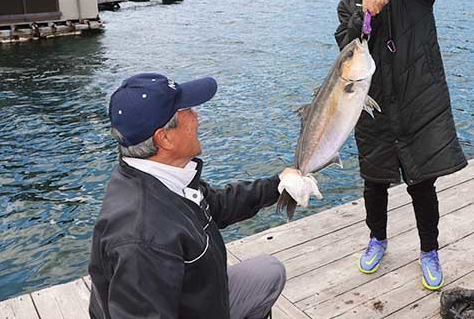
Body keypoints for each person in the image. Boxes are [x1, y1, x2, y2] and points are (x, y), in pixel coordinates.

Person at [88, 73, 315, 318]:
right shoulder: (142, 237)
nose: (197, 116)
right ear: (163, 138)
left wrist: (279, 184)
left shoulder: (162, 177)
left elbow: (217, 204)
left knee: (268, 272)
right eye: (187, 110)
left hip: (195, 299)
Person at [332, 0, 467, 290]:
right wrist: (366, 11)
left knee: (422, 182)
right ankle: (377, 239)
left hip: (417, 101)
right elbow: (346, 46)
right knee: (374, 181)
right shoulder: (348, 4)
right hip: (371, 106)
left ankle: (429, 250)